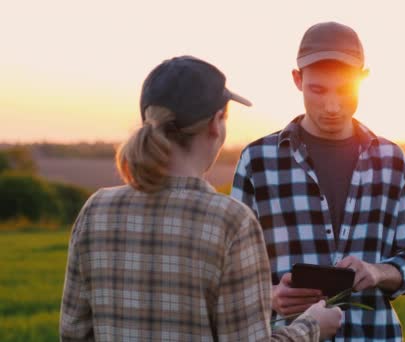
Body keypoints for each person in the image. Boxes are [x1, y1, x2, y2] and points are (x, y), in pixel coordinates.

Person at [60, 55, 342, 341]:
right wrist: (313, 325)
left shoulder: (95, 210)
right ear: (216, 124)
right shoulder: (231, 222)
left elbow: (73, 334)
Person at [231, 22, 405, 341]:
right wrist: (269, 296)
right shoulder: (258, 161)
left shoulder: (391, 161)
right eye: (318, 90)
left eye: (344, 90)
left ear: (363, 80)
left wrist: (376, 272)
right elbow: (232, 274)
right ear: (297, 80)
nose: (332, 106)